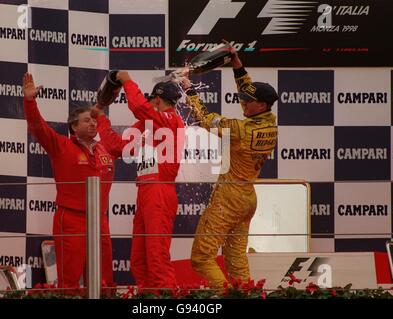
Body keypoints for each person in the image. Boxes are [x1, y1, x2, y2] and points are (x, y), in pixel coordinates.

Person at [182, 48, 279, 289]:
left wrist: (189, 90)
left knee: (201, 258)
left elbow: (205, 119)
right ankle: (245, 294)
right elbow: (247, 90)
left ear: (262, 105)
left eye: (248, 101)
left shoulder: (240, 130)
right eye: (243, 98)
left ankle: (225, 298)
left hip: (229, 199)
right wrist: (237, 65)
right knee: (235, 259)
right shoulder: (269, 123)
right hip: (247, 199)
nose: (242, 102)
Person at [22, 73, 116, 291]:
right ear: (74, 126)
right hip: (71, 218)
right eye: (87, 120)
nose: (93, 123)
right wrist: (30, 102)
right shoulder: (61, 146)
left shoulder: (106, 149)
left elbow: (128, 142)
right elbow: (38, 127)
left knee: (104, 281)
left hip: (100, 220)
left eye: (94, 120)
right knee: (70, 281)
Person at [92, 72, 184, 292]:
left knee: (157, 256)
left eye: (150, 101)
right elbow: (116, 146)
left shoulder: (170, 119)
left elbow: (138, 107)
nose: (147, 105)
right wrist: (101, 119)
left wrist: (126, 79)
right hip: (145, 192)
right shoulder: (146, 126)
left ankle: (165, 300)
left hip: (160, 190)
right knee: (139, 259)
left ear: (157, 101)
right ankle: (148, 298)